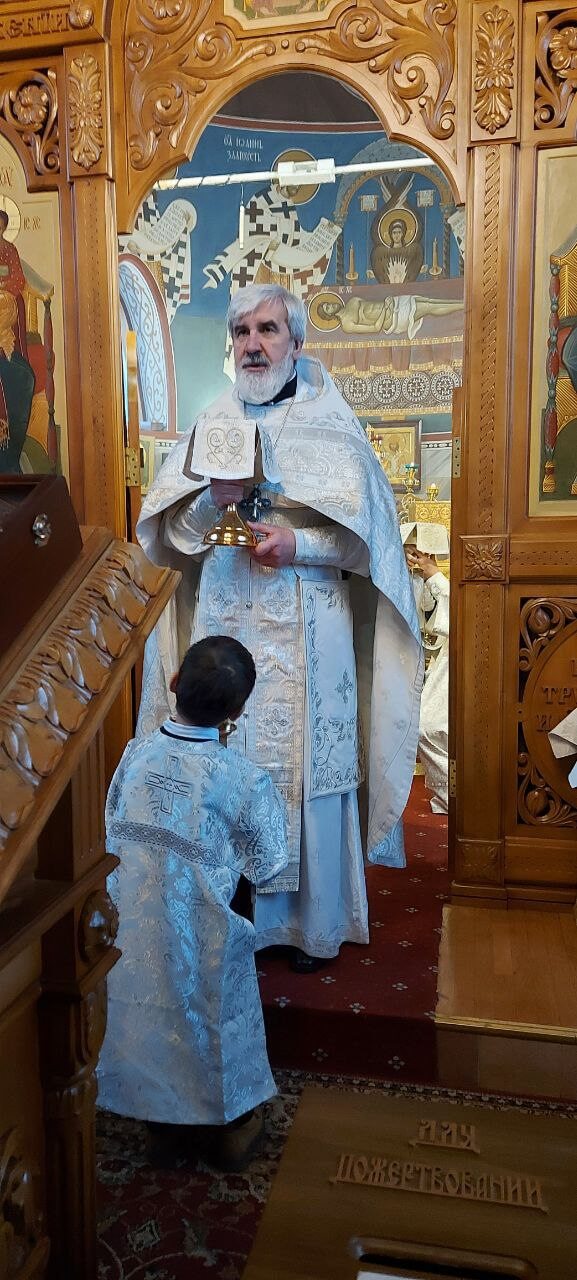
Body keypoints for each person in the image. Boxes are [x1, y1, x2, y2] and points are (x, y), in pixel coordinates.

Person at [137, 283, 423, 972]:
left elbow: (369, 545)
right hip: (225, 616)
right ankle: (224, 912)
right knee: (223, 764)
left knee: (305, 770)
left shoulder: (333, 425)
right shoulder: (211, 421)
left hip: (306, 625)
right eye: (241, 331)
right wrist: (211, 501)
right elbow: (172, 538)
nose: (253, 344)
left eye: (267, 329)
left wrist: (300, 544)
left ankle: (306, 926)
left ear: (296, 341)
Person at [98, 635, 288, 1170]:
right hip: (204, 937)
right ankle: (226, 1128)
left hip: (128, 932)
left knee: (148, 1003)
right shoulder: (244, 779)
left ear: (175, 682)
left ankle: (160, 1123)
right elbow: (270, 862)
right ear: (236, 712)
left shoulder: (134, 756)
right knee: (215, 995)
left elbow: (112, 826)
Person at [401, 521, 450, 813]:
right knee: (426, 727)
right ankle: (449, 795)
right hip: (440, 657)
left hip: (460, 660)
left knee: (430, 726)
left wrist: (434, 575)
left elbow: (463, 609)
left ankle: (455, 795)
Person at [317, 292, 463, 338]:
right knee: (428, 307)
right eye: (327, 308)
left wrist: (386, 304)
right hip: (395, 319)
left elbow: (373, 304)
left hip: (395, 303)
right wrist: (385, 309)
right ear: (329, 316)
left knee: (429, 301)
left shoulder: (352, 301)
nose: (331, 305)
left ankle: (462, 302)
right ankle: (463, 305)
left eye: (328, 303)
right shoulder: (346, 324)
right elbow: (375, 328)